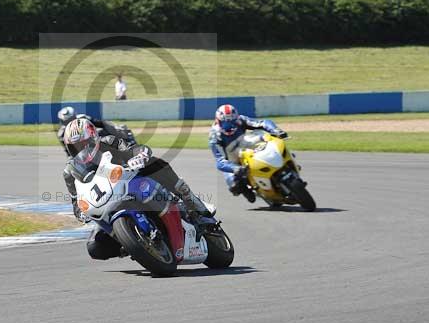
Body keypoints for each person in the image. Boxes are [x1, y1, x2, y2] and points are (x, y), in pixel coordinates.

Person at [61, 118, 212, 260]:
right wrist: (80, 212)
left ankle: (194, 204)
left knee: (155, 164)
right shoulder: (70, 171)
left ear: (93, 138)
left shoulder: (109, 141)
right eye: (75, 147)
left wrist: (139, 156)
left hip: (131, 181)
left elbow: (134, 149)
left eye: (84, 144)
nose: (81, 151)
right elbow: (76, 199)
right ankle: (135, 245)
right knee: (95, 247)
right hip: (107, 202)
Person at [209, 104, 287, 203]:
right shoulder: (214, 136)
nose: (229, 126)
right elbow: (220, 162)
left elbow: (262, 123)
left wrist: (275, 130)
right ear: (218, 120)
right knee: (234, 185)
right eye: (225, 122)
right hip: (231, 158)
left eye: (232, 122)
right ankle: (247, 189)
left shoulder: (241, 119)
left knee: (272, 141)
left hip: (246, 145)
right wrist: (235, 168)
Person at [56, 106, 135, 156]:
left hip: (92, 141)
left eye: (72, 119)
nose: (71, 122)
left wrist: (115, 128)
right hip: (80, 155)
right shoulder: (62, 134)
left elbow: (100, 123)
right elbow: (68, 151)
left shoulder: (83, 118)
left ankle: (126, 141)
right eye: (68, 121)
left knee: (103, 131)